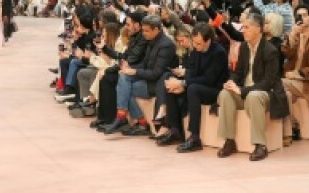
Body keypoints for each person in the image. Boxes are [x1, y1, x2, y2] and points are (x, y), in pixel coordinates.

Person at [216, 12, 288, 161]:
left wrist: (242, 90)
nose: (243, 30)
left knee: (254, 96)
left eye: (247, 27)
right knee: (225, 94)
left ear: (258, 29)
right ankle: (229, 141)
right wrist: (231, 83)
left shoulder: (270, 50)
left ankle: (260, 145)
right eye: (243, 27)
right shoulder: (243, 47)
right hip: (246, 92)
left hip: (266, 93)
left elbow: (268, 82)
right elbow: (238, 72)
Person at [101, 15, 174, 135]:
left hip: (157, 84)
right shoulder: (151, 41)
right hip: (147, 79)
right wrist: (129, 69)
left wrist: (135, 71)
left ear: (156, 29)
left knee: (125, 87)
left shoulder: (166, 45)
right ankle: (132, 120)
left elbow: (156, 73)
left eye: (146, 31)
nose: (143, 34)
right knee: (124, 80)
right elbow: (144, 64)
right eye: (143, 30)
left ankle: (128, 119)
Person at [159, 22, 226, 150]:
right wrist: (180, 84)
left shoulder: (219, 52)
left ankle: (195, 137)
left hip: (215, 89)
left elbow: (209, 79)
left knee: (192, 89)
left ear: (208, 41)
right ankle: (174, 129)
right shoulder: (196, 50)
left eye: (198, 43)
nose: (195, 46)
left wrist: (184, 83)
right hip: (198, 85)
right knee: (171, 83)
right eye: (194, 42)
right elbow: (191, 72)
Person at [280, 3, 309, 145]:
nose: (301, 18)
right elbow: (285, 52)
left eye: (305, 15)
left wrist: (296, 74)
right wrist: (293, 34)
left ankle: (292, 127)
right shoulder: (293, 35)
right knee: (286, 94)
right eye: (299, 15)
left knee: (279, 84)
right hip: (292, 82)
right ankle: (288, 132)